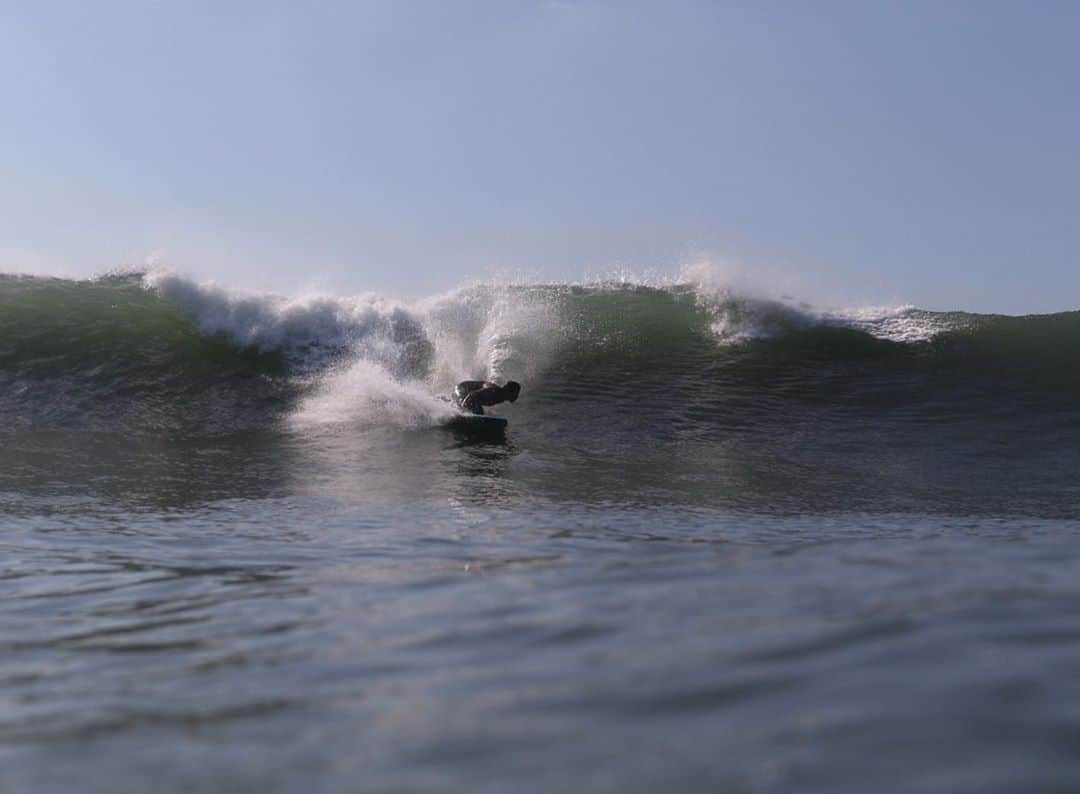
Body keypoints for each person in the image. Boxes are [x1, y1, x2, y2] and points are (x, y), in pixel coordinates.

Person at [453, 380, 521, 415]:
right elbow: (472, 395)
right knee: (477, 410)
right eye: (516, 393)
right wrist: (462, 408)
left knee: (477, 409)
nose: (517, 396)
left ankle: (449, 402)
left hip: (465, 393)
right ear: (509, 391)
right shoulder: (494, 391)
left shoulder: (500, 396)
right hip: (461, 389)